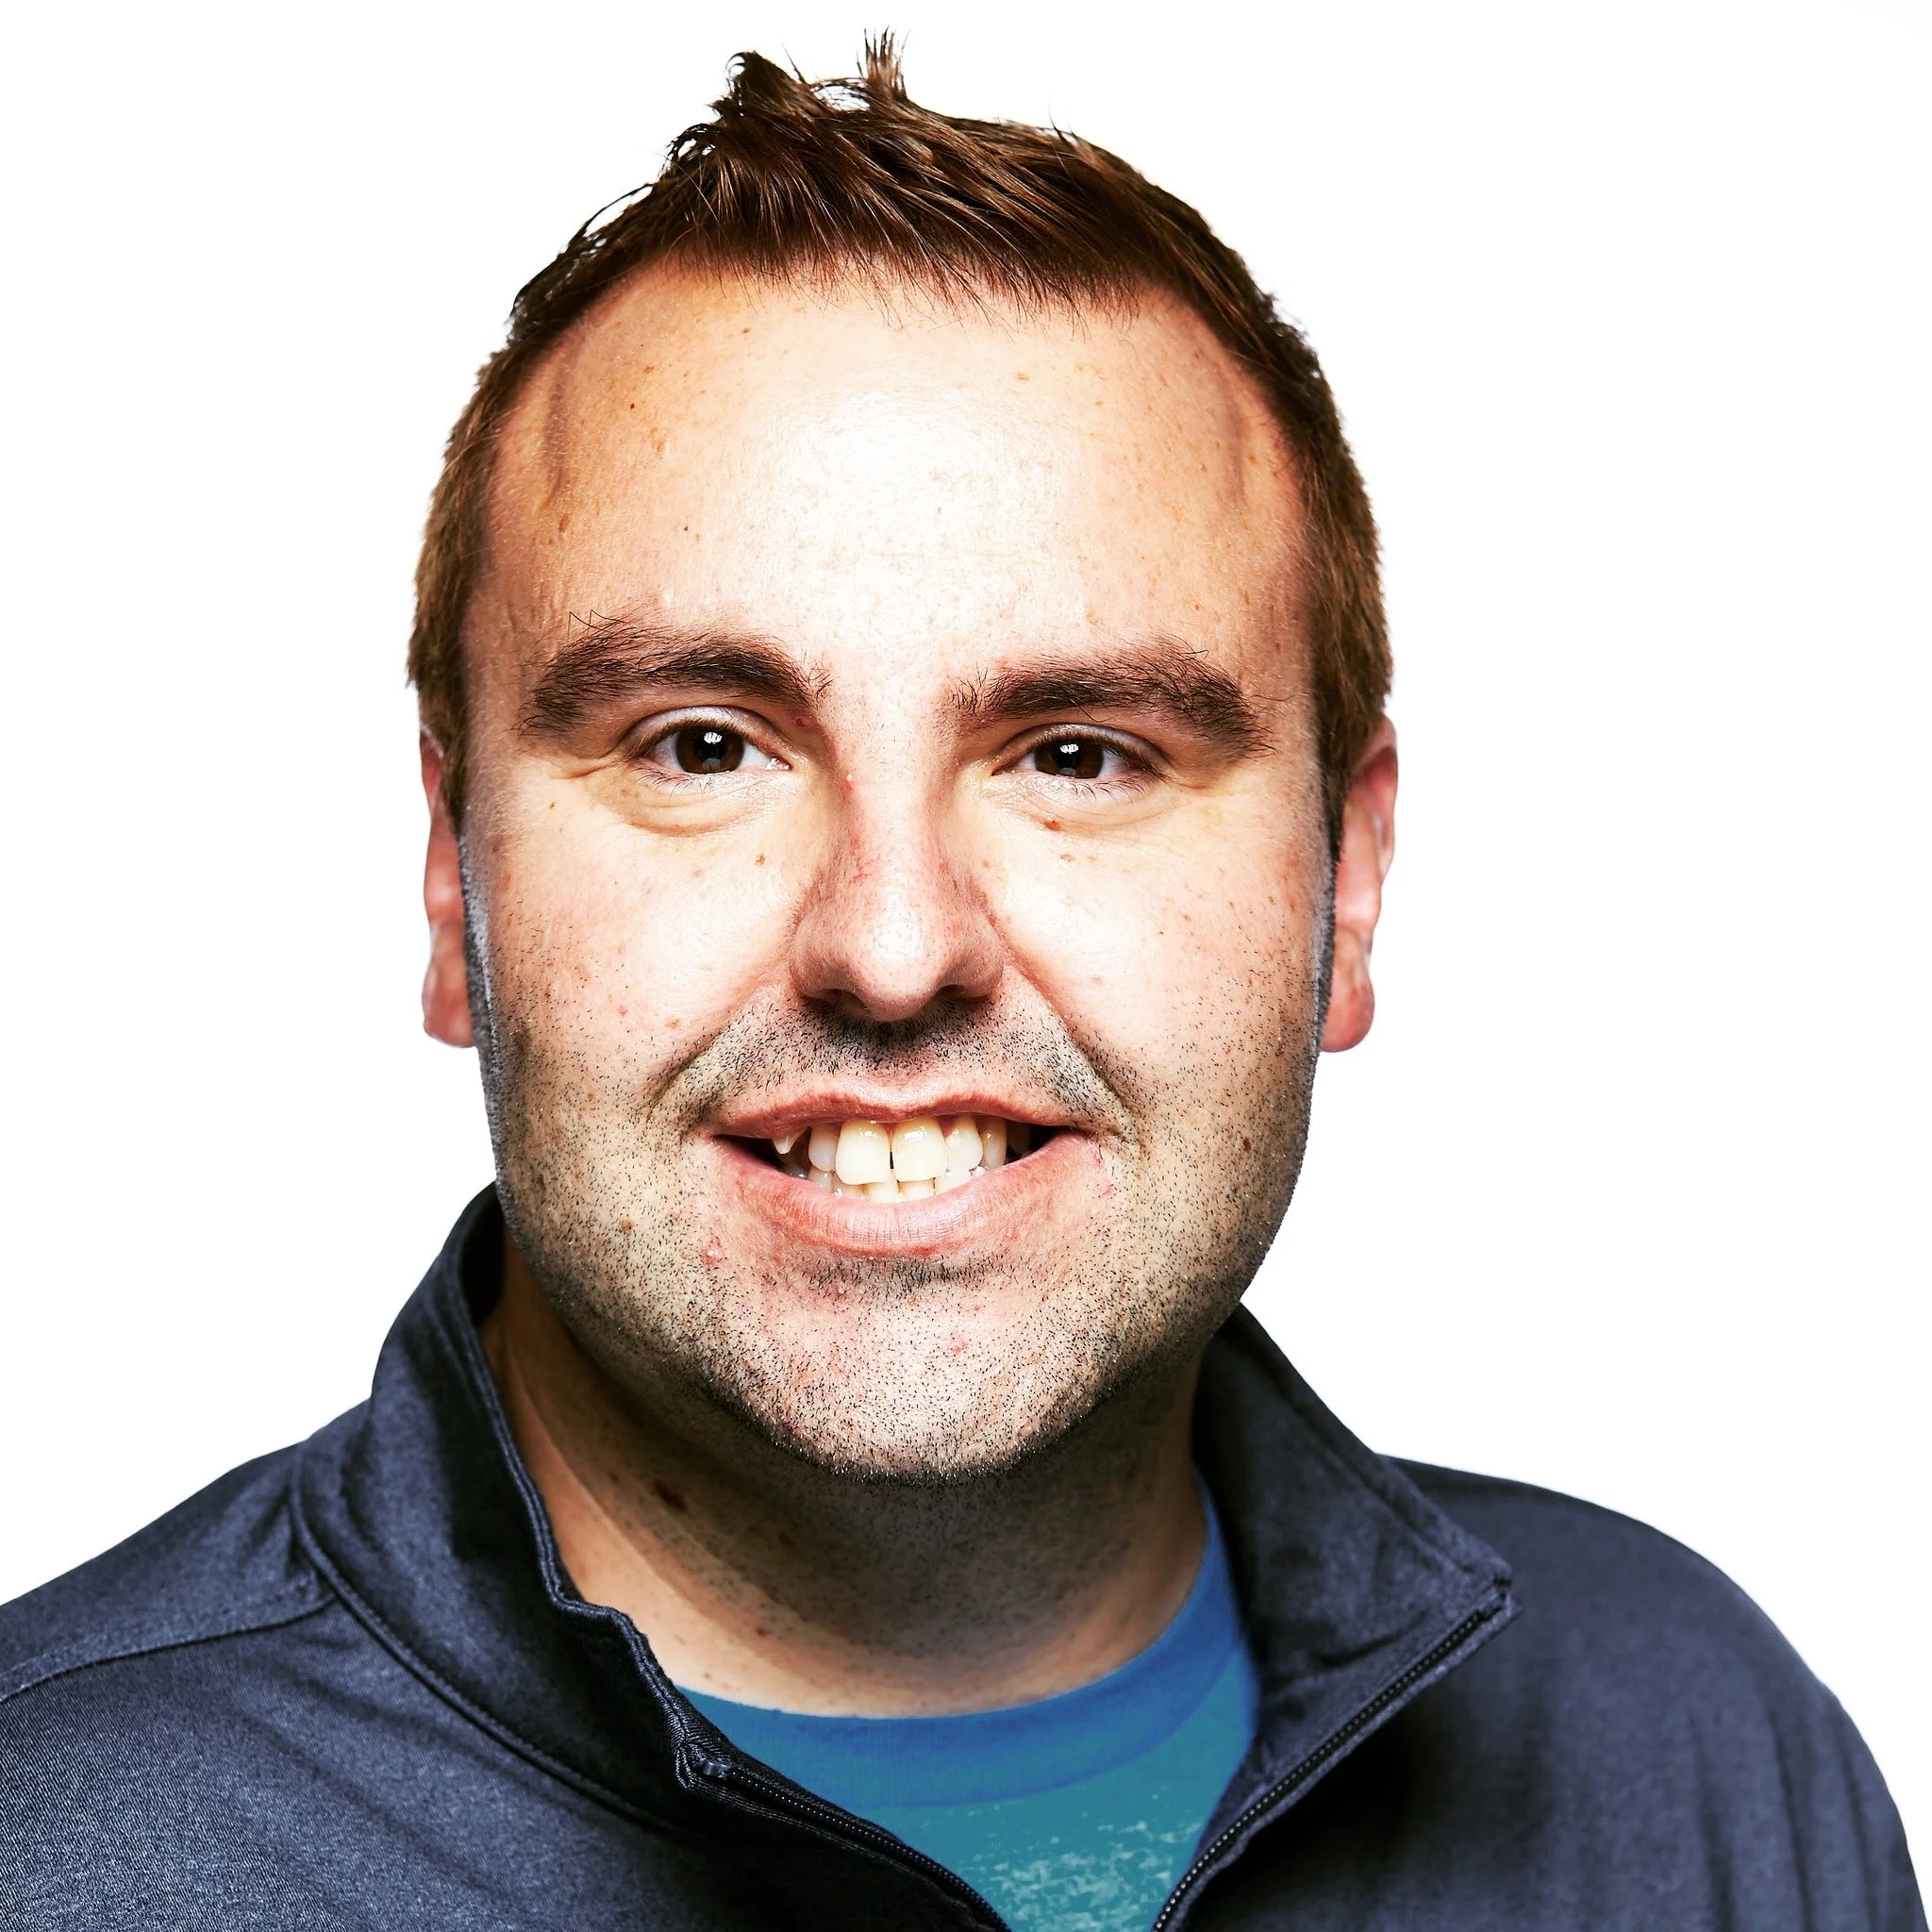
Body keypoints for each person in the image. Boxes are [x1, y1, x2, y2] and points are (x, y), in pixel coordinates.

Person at [0, 42, 1919, 1932]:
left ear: (1348, 886)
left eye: (1078, 754)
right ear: (454, 874)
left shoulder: (1697, 1761)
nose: (894, 945)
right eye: (701, 746)